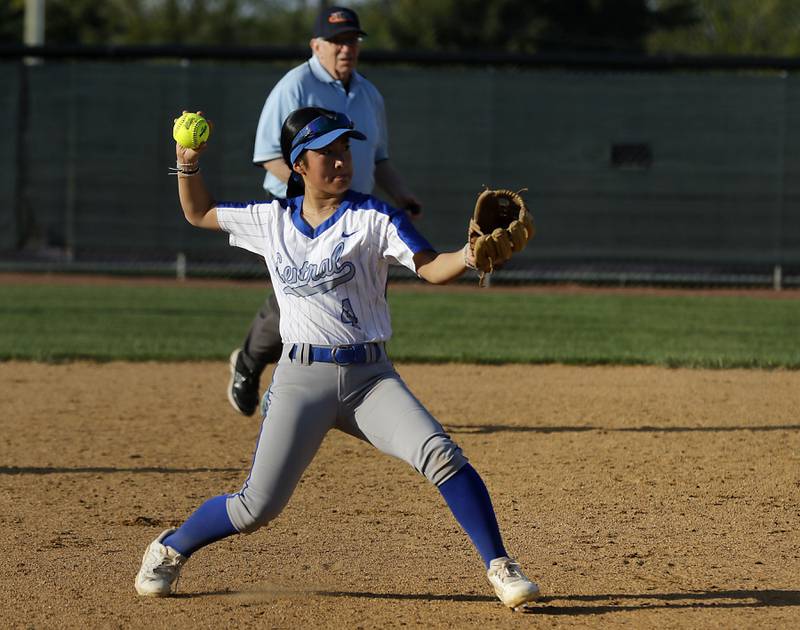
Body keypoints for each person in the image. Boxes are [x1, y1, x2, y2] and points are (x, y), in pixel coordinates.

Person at [134, 107, 540, 610]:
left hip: (370, 379)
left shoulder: (372, 217)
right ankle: (170, 547)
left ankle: (501, 565)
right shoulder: (271, 220)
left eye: (345, 149)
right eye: (327, 152)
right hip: (302, 380)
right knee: (257, 507)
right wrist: (186, 163)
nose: (341, 160)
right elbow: (198, 212)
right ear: (299, 164)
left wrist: (471, 255)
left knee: (441, 456)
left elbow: (431, 267)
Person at [229, 4, 421, 416]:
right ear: (316, 44)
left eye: (351, 40)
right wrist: (310, 198)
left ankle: (365, 384)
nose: (344, 48)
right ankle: (251, 364)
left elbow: (379, 158)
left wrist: (402, 195)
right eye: (335, 41)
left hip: (356, 215)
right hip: (301, 210)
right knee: (298, 300)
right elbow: (268, 156)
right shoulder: (294, 86)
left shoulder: (369, 94)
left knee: (364, 292)